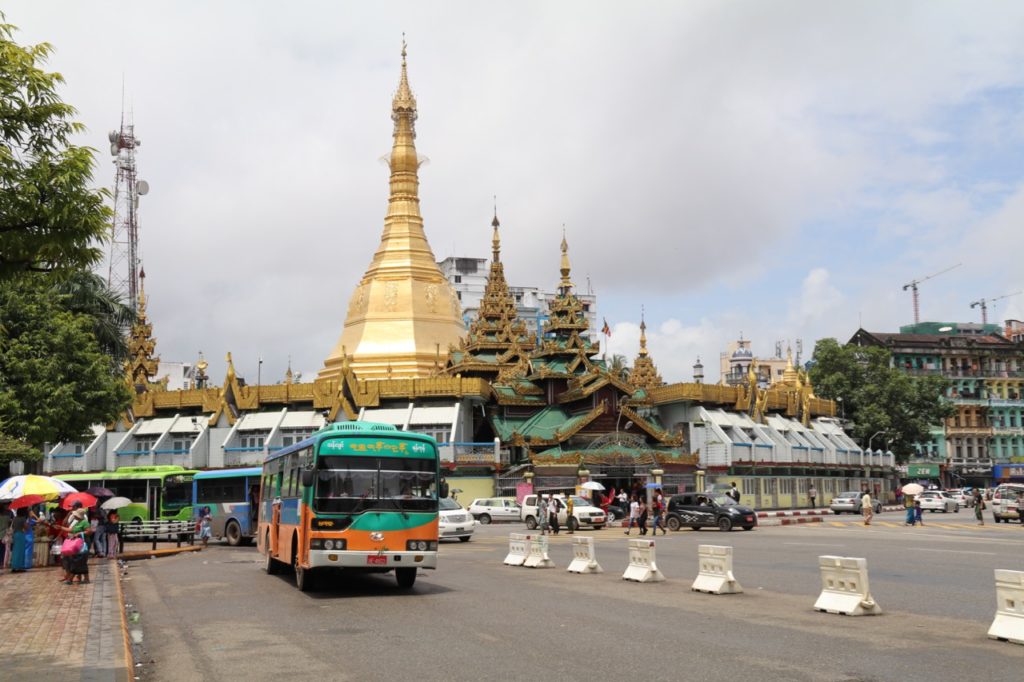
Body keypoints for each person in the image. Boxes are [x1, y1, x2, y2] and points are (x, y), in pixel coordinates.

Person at [62, 502, 91, 585]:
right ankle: (85, 578)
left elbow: (89, 531)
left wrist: (80, 533)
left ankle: (71, 579)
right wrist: (61, 527)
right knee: (79, 561)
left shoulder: (84, 522)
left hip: (83, 543)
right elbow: (70, 530)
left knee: (78, 560)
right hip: (77, 544)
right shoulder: (77, 522)